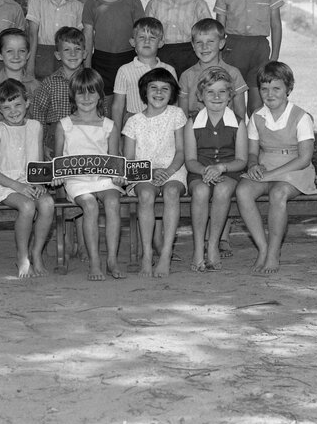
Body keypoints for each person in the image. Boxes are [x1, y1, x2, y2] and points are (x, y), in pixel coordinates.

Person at [236, 62, 317, 274]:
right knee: (243, 190)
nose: (269, 94)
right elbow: (252, 152)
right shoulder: (257, 116)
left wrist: (271, 175)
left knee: (278, 193)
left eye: (276, 88)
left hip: (295, 169)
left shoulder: (301, 117)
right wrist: (253, 165)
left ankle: (274, 251)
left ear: (288, 89)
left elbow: (304, 158)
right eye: (264, 89)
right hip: (267, 165)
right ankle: (262, 248)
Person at [54, 68, 124, 282]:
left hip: (103, 179)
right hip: (76, 181)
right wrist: (57, 175)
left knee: (113, 201)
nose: (86, 98)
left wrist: (118, 176)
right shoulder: (64, 125)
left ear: (100, 95)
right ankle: (95, 261)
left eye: (92, 92)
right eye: (81, 93)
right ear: (73, 96)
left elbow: (115, 160)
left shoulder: (109, 126)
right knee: (90, 206)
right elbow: (58, 160)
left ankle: (111, 259)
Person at [0, 79, 56, 279]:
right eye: (6, 107)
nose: (13, 111)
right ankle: (23, 255)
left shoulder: (35, 126)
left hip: (31, 182)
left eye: (17, 104)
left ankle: (36, 252)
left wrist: (39, 183)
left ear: (27, 103)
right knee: (27, 206)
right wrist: (18, 186)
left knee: (48, 203)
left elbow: (37, 161)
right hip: (5, 184)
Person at [121, 68, 187, 278]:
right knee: (147, 195)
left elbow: (181, 151)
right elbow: (129, 159)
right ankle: (147, 255)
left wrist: (167, 172)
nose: (159, 93)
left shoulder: (176, 114)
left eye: (165, 89)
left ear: (172, 93)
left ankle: (166, 254)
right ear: (144, 91)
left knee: (171, 193)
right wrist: (149, 172)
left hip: (173, 169)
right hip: (142, 173)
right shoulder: (133, 122)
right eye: (154, 88)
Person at [184, 68, 248, 272]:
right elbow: (190, 160)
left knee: (222, 190)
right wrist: (205, 171)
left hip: (228, 170)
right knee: (201, 190)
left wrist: (221, 167)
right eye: (210, 92)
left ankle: (212, 246)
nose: (216, 97)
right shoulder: (192, 123)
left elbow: (242, 160)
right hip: (200, 171)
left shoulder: (238, 123)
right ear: (201, 96)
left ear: (230, 95)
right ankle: (197, 250)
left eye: (222, 92)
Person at [213, 0, 283, 113]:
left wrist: (274, 56)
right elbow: (219, 30)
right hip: (232, 50)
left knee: (257, 102)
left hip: (260, 50)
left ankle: (255, 139)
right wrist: (218, 57)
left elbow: (276, 24)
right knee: (234, 101)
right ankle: (236, 138)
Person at [29, 25, 102, 158]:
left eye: (77, 49)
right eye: (67, 50)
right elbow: (38, 116)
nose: (73, 54)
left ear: (85, 53)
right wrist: (43, 144)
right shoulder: (49, 83)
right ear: (58, 55)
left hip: (87, 137)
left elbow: (102, 110)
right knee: (59, 176)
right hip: (55, 140)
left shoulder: (92, 82)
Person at [82, 0, 145, 94]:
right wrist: (88, 69)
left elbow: (141, 35)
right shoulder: (91, 4)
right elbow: (88, 38)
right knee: (104, 105)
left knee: (128, 105)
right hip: (101, 62)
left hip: (130, 60)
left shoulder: (133, 1)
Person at [26, 0, 84, 81]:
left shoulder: (77, 6)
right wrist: (29, 70)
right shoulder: (36, 0)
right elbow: (32, 35)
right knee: (43, 94)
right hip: (42, 58)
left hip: (70, 59)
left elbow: (81, 41)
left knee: (68, 95)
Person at [178, 18, 248, 120]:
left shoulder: (233, 73)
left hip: (226, 129)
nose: (204, 47)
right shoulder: (186, 75)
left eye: (210, 41)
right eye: (199, 42)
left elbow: (240, 111)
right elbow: (182, 113)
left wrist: (240, 133)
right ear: (193, 45)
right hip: (194, 130)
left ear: (221, 44)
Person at [0, 27, 40, 128]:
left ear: (28, 54)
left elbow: (39, 118)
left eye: (22, 51)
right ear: (0, 55)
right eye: (10, 51)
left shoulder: (36, 86)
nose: (16, 56)